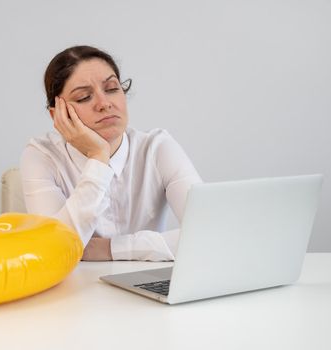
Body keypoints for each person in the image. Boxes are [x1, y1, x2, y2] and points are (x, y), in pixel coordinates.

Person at [20, 45, 202, 261]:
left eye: (112, 88)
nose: (104, 104)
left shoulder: (157, 147)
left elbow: (211, 234)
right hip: (75, 289)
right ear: (57, 115)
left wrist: (110, 249)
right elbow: (54, 249)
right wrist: (98, 156)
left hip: (148, 284)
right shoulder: (41, 156)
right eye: (84, 97)